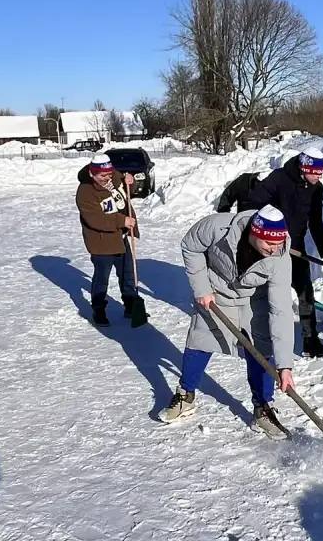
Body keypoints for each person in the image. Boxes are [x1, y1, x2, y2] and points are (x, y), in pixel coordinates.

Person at [159, 205, 296, 440]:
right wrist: (202, 288)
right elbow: (190, 246)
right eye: (269, 244)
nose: (274, 250)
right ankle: (185, 396)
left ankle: (263, 408)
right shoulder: (218, 227)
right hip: (217, 294)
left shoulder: (280, 256)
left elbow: (281, 309)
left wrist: (285, 365)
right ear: (255, 233)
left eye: (278, 244)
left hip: (253, 300)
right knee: (200, 339)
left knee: (261, 349)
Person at [243, 147, 323, 357]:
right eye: (316, 172)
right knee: (268, 296)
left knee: (306, 292)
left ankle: (311, 342)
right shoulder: (279, 179)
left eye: (321, 172)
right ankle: (261, 340)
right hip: (270, 249)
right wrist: (265, 236)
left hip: (296, 247)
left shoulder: (316, 189)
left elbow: (316, 223)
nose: (319, 176)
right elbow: (251, 205)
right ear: (304, 167)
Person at [75, 152, 147, 328]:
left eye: (109, 174)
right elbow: (95, 219)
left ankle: (131, 306)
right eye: (102, 176)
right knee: (102, 279)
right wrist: (122, 221)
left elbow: (125, 193)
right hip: (101, 242)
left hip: (120, 237)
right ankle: (99, 310)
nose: (107, 178)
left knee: (128, 274)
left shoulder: (114, 176)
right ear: (92, 173)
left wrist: (131, 181)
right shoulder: (85, 192)